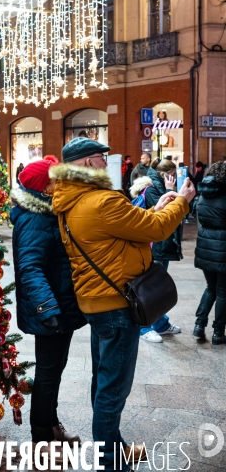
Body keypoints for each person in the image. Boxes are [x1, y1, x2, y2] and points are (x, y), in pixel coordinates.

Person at [51, 137, 195, 472]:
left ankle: (115, 449)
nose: (107, 162)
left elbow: (125, 229)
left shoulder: (71, 200)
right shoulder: (101, 200)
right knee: (113, 390)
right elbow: (157, 230)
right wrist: (182, 202)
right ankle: (110, 463)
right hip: (116, 303)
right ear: (88, 164)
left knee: (103, 381)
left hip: (95, 300)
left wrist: (154, 209)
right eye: (102, 157)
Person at [10, 156, 85, 462]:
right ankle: (42, 437)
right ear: (44, 187)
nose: (61, 182)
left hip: (59, 306)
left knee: (53, 370)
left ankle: (51, 425)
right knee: (48, 373)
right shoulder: (35, 218)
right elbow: (30, 267)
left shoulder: (49, 210)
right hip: (50, 310)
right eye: (56, 179)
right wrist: (47, 307)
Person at [139, 158, 183, 343]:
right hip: (155, 244)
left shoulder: (158, 187)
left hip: (163, 243)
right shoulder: (150, 189)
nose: (174, 178)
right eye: (172, 175)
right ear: (164, 174)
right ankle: (144, 327)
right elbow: (164, 213)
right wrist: (170, 190)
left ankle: (160, 324)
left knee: (159, 285)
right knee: (152, 286)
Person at [194, 162, 226, 345]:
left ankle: (199, 325)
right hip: (222, 247)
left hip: (205, 245)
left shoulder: (204, 193)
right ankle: (218, 332)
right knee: (222, 292)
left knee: (210, 288)